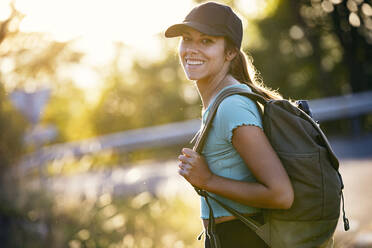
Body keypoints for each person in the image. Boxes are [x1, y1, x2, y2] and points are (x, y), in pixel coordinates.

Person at [165, 2, 294, 247]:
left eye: (206, 41)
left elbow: (281, 194)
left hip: (244, 239)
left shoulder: (231, 107)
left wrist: (208, 180)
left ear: (230, 52)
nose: (191, 49)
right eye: (187, 38)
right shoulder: (220, 102)